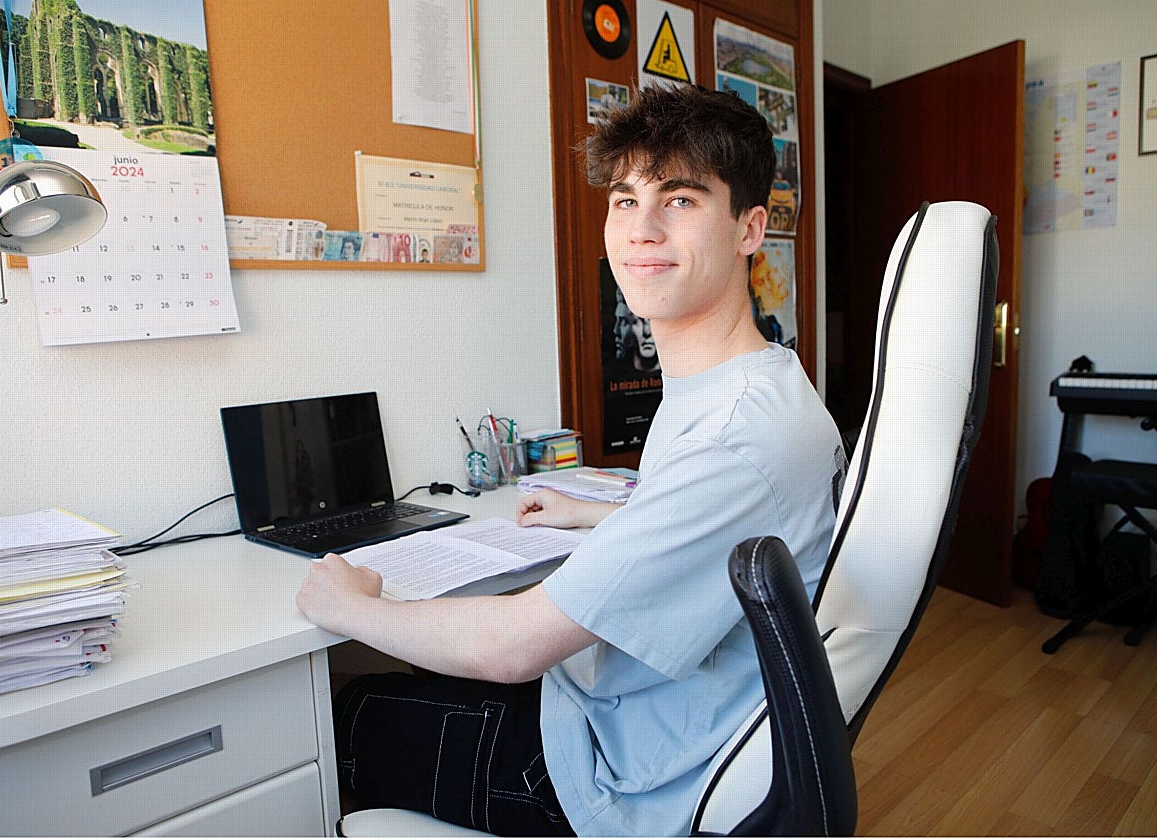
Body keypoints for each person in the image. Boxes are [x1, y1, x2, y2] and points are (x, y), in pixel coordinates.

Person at [295, 83, 844, 837]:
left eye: (680, 200)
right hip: (630, 713)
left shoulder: (735, 438)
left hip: (608, 773)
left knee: (337, 709)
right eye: (624, 200)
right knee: (403, 668)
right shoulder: (758, 384)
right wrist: (610, 512)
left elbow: (513, 646)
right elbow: (718, 520)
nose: (641, 230)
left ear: (751, 228)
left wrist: (350, 606)